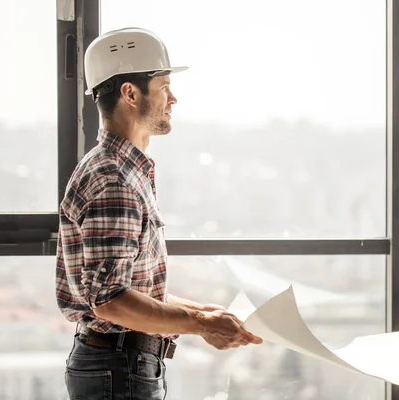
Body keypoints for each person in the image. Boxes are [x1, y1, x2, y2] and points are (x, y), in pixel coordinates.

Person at [55, 27, 263, 400]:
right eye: (164, 86)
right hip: (119, 370)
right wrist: (200, 323)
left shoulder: (123, 171)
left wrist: (201, 313)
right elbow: (112, 300)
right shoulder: (113, 179)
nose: (174, 98)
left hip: (121, 366)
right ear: (130, 93)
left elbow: (127, 291)